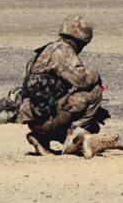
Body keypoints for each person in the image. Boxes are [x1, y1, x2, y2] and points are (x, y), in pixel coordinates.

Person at [14, 14, 107, 155]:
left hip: (34, 117)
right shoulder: (63, 51)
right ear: (82, 40)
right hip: (46, 118)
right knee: (95, 91)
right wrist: (96, 75)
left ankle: (41, 138)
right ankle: (74, 138)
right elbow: (82, 80)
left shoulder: (46, 50)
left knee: (93, 125)